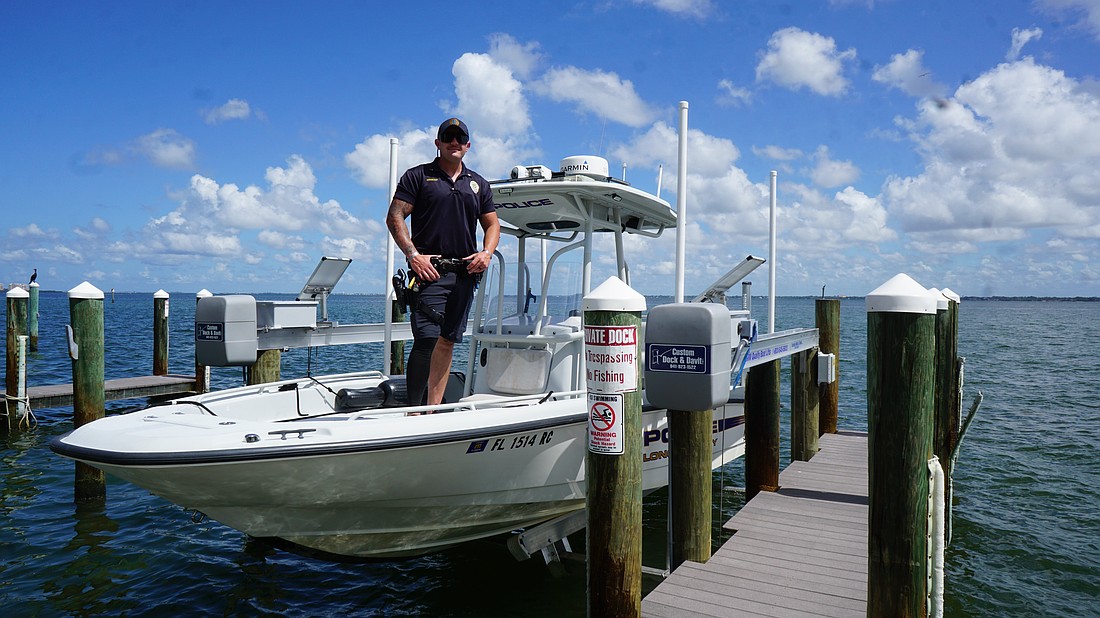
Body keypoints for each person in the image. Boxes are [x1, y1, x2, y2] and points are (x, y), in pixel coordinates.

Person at [386, 117, 500, 410]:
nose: (454, 143)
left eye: (459, 138)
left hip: (464, 274)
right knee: (427, 339)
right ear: (438, 143)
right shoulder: (418, 177)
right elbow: (395, 216)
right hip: (429, 271)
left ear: (467, 145)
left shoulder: (478, 184)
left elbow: (492, 225)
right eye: (448, 137)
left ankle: (433, 410)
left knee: (447, 341)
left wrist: (486, 252)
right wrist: (412, 255)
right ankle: (413, 412)